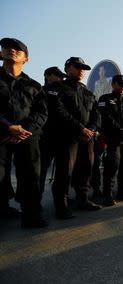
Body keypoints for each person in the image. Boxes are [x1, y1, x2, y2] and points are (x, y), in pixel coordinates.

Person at [0, 37, 48, 228]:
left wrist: (23, 130)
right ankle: (2, 208)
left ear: (26, 59)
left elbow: (42, 112)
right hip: (1, 134)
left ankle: (31, 214)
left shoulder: (34, 85)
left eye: (17, 49)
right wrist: (7, 127)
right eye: (7, 47)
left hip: (27, 137)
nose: (11, 50)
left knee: (30, 176)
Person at [47, 57, 102, 219]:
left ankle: (83, 199)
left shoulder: (87, 91)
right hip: (66, 137)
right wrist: (80, 128)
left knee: (86, 168)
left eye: (83, 68)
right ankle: (61, 205)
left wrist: (91, 130)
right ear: (67, 68)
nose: (81, 70)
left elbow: (96, 114)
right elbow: (57, 110)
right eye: (77, 67)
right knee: (65, 171)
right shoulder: (57, 87)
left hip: (87, 139)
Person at [99, 75, 123, 206]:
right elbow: (106, 117)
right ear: (113, 84)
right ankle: (107, 195)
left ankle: (122, 191)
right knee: (112, 167)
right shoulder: (105, 99)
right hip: (114, 139)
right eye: (120, 84)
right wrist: (122, 131)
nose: (122, 87)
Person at [40, 67, 66, 197]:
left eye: (62, 76)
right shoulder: (41, 91)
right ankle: (35, 202)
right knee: (41, 170)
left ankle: (62, 199)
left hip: (62, 136)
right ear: (47, 76)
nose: (61, 78)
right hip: (46, 136)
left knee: (63, 170)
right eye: (57, 75)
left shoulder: (64, 91)